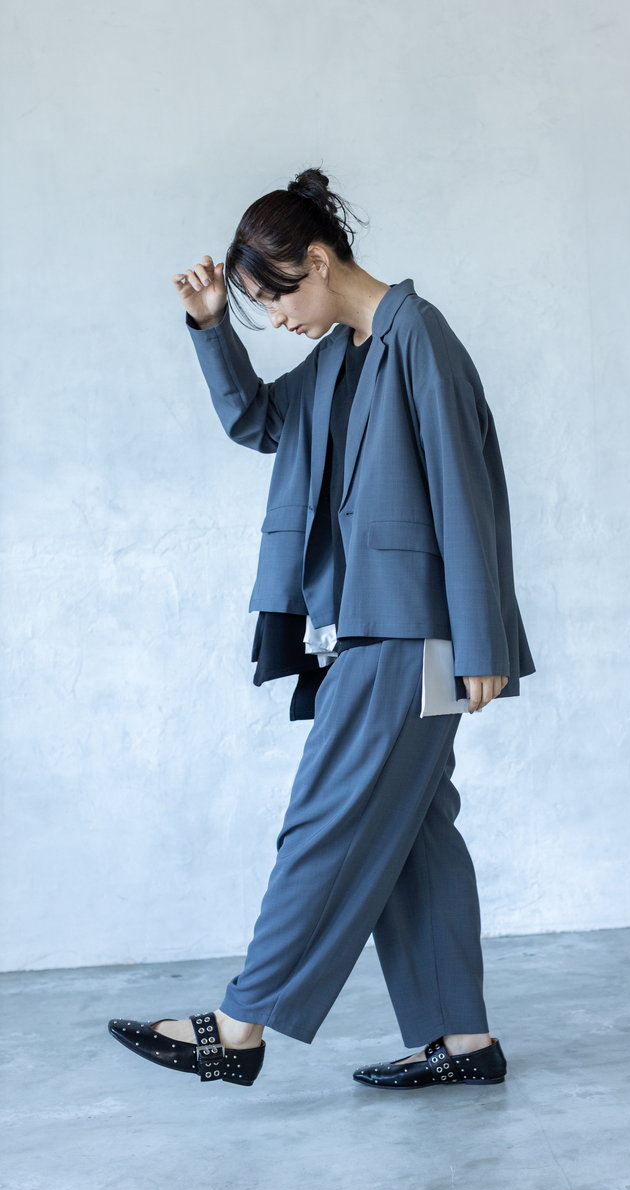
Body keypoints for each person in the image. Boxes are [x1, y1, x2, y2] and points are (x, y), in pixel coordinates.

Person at [108, 167, 535, 1090]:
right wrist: (214, 328)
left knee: (326, 822)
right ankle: (465, 1044)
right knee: (413, 838)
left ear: (319, 258)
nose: (279, 319)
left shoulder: (418, 337)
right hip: (370, 629)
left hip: (415, 634)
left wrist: (483, 643)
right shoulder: (343, 353)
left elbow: (465, 491)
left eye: (278, 297)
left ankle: (240, 1026)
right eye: (261, 308)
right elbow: (260, 424)